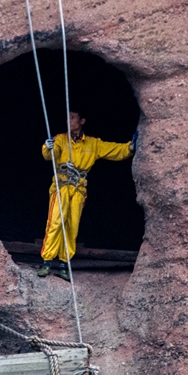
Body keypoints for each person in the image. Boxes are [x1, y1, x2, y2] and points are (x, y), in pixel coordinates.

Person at [36, 111, 137, 280]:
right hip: (61, 187)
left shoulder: (92, 143)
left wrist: (130, 147)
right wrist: (47, 147)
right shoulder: (60, 139)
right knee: (55, 222)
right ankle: (46, 262)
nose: (69, 121)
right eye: (67, 118)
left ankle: (63, 264)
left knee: (72, 226)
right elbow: (49, 156)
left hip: (78, 189)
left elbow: (114, 150)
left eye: (72, 118)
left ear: (82, 121)